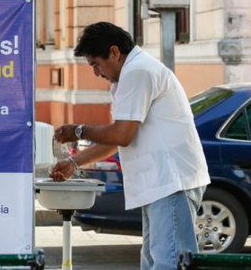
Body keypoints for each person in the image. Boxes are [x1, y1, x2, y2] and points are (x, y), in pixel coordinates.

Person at [49, 22, 209, 270]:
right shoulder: (130, 75)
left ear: (114, 52)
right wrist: (73, 163)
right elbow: (119, 137)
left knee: (169, 263)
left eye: (96, 65)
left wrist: (78, 130)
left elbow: (121, 135)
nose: (96, 73)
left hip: (170, 182)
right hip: (159, 184)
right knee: (153, 262)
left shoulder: (138, 71)